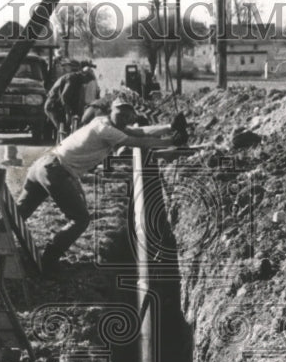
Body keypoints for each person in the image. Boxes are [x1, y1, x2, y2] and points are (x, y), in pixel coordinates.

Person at [17, 98, 178, 275]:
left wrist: (170, 128)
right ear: (111, 111)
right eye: (119, 113)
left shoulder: (102, 122)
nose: (123, 118)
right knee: (80, 219)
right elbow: (137, 141)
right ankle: (48, 261)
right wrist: (171, 142)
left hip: (43, 165)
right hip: (55, 171)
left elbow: (139, 131)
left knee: (20, 212)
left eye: (126, 115)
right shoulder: (105, 129)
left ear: (131, 115)